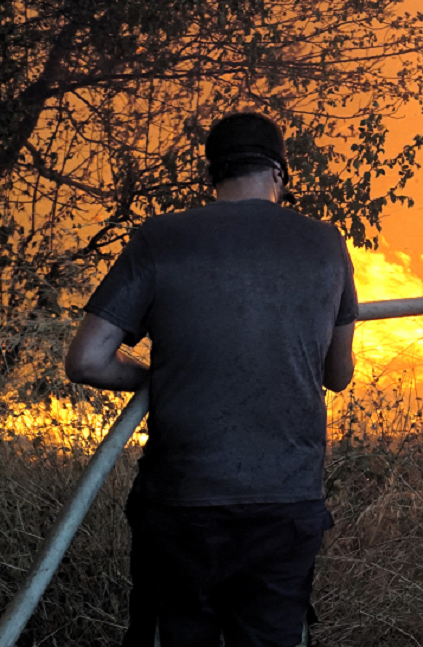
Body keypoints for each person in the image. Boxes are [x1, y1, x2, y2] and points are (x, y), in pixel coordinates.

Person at [65, 112, 358, 647]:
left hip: (181, 505)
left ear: (212, 176)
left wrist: (163, 374)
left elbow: (85, 360)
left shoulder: (161, 238)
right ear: (279, 174)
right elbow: (338, 376)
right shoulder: (325, 244)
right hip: (285, 505)